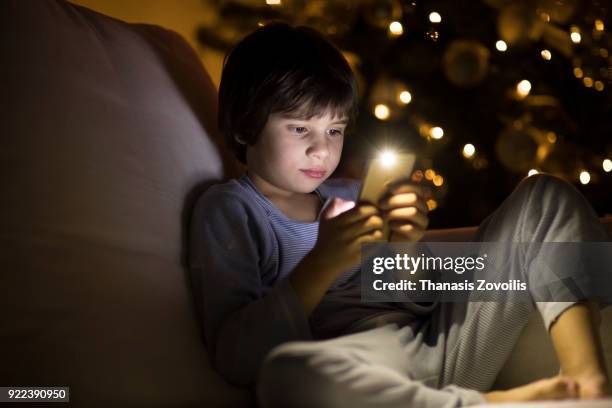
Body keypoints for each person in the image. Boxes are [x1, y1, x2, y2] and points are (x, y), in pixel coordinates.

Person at [188, 22, 611, 407]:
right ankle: (495, 404)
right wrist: (323, 263)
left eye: (334, 130)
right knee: (291, 377)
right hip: (361, 368)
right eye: (300, 129)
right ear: (246, 127)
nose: (322, 150)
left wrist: (405, 250)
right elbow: (235, 358)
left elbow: (421, 301)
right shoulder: (231, 210)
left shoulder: (350, 198)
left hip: (442, 347)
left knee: (544, 195)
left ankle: (587, 384)